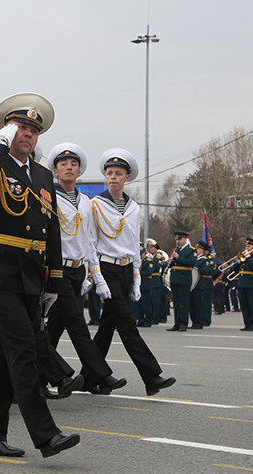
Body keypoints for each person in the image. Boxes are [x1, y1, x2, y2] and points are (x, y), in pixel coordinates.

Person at [0, 93, 79, 458]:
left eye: (33, 128)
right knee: (23, 350)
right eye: (20, 127)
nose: (28, 133)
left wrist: (54, 281)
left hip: (31, 272)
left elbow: (52, 229)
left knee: (4, 358)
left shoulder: (43, 174)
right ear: (7, 130)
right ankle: (45, 435)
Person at [90, 148, 176, 396]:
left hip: (127, 268)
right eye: (109, 173)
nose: (113, 177)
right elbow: (90, 242)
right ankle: (151, 376)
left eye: (118, 173)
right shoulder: (96, 205)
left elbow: (133, 244)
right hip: (106, 267)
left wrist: (137, 278)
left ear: (127, 177)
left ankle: (90, 376)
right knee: (127, 322)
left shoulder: (134, 208)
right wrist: (96, 276)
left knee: (108, 325)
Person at [43, 142, 126, 394]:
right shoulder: (49, 198)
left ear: (80, 171)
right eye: (63, 164)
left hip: (78, 270)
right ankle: (100, 375)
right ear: (55, 171)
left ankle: (37, 379)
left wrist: (95, 274)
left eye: (74, 164)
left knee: (54, 328)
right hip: (59, 270)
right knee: (78, 324)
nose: (69, 167)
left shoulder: (87, 203)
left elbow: (90, 240)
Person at [226, 238, 253, 331]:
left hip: (252, 284)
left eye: (249, 246)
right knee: (244, 305)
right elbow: (233, 270)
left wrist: (248, 258)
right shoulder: (244, 257)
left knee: (252, 305)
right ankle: (247, 323)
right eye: (246, 246)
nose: (247, 248)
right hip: (242, 283)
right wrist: (239, 262)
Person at [167, 231, 196, 331]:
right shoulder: (177, 250)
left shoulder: (191, 250)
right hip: (175, 278)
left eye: (179, 239)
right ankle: (177, 323)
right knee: (176, 303)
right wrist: (170, 262)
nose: (178, 241)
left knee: (183, 303)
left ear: (185, 239)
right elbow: (176, 264)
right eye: (177, 240)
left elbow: (191, 263)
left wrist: (178, 257)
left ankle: (183, 324)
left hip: (184, 279)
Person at [190, 240, 213, 329]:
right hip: (193, 283)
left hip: (200, 283)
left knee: (200, 303)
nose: (197, 250)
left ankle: (200, 321)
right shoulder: (194, 259)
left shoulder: (204, 260)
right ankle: (194, 321)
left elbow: (208, 271)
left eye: (199, 248)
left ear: (203, 250)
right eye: (197, 248)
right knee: (192, 304)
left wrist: (197, 269)